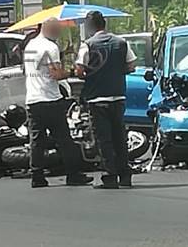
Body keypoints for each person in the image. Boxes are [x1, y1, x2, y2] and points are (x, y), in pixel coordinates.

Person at [24, 18, 93, 188]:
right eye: (56, 30)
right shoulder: (50, 47)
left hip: (33, 99)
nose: (58, 33)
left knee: (37, 141)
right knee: (64, 140)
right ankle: (73, 174)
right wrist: (71, 71)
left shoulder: (30, 45)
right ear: (48, 28)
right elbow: (56, 74)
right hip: (50, 99)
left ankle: (37, 176)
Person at [75, 11, 137, 189]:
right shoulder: (121, 42)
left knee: (104, 140)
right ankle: (125, 176)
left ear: (90, 27)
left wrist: (92, 73)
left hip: (97, 98)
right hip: (117, 96)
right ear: (104, 24)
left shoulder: (87, 45)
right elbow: (131, 65)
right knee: (119, 138)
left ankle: (110, 177)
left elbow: (79, 70)